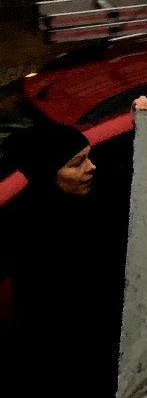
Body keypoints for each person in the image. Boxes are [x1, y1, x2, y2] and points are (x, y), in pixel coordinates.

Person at [2, 122, 122, 395]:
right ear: (46, 173)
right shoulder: (27, 231)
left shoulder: (92, 200)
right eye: (76, 163)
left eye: (89, 157)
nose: (91, 167)